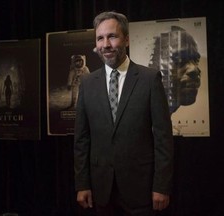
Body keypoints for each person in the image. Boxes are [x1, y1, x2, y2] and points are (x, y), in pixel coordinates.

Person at [74, 11, 174, 216]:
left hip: (141, 191)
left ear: (126, 39)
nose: (105, 44)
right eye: (100, 38)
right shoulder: (87, 84)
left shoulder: (149, 79)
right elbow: (81, 140)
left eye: (112, 36)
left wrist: (161, 186)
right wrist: (82, 184)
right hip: (101, 190)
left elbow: (163, 139)